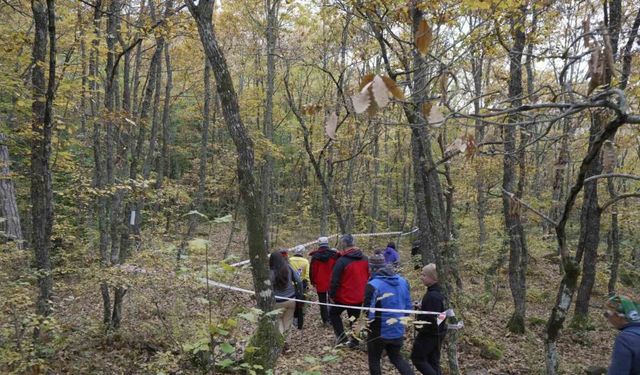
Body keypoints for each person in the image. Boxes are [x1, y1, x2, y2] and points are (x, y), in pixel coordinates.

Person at [364, 253, 414, 375]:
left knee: (374, 360)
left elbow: (368, 310)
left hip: (378, 330)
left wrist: (366, 326)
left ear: (373, 269)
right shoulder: (403, 281)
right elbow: (408, 306)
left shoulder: (373, 285)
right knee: (396, 357)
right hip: (397, 328)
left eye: (370, 268)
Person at [329, 234, 369, 347]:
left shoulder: (342, 261)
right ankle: (354, 341)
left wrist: (331, 295)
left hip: (343, 297)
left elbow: (334, 281)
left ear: (344, 244)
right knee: (353, 318)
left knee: (334, 314)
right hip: (358, 297)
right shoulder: (365, 258)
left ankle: (342, 338)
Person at [411, 263, 447, 375]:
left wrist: (420, 326)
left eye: (424, 275)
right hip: (436, 333)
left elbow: (432, 318)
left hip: (430, 334)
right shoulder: (435, 292)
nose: (421, 277)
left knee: (417, 358)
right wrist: (422, 308)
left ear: (433, 277)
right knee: (433, 361)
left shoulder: (433, 296)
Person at [269, 251, 297, 353]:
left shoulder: (270, 272)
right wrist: (299, 292)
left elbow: (268, 286)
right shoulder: (288, 268)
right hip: (292, 299)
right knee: (288, 323)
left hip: (278, 302)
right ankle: (287, 344)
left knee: (279, 321)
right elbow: (298, 279)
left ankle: (282, 343)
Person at [605, 294, 640, 374]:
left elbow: (618, 371)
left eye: (607, 314)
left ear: (618, 316)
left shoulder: (625, 339)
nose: (608, 319)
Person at [309, 236, 337, 326]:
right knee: (332, 301)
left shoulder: (315, 256)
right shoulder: (334, 255)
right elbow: (337, 269)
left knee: (322, 302)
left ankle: (325, 320)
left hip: (320, 282)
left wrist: (313, 281)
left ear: (319, 244)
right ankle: (332, 319)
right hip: (332, 282)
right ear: (327, 243)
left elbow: (313, 270)